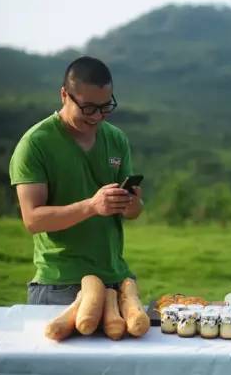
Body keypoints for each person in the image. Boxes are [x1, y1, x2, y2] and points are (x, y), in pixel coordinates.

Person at [9, 56, 143, 305]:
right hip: (59, 284)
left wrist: (132, 206)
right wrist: (92, 206)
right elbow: (33, 220)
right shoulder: (35, 144)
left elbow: (132, 212)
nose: (97, 117)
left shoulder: (117, 139)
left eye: (105, 107)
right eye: (88, 108)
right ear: (64, 95)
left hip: (117, 279)